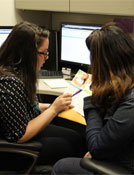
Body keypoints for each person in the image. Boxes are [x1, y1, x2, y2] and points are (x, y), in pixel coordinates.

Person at [0, 21, 87, 166]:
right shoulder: (9, 82)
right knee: (70, 146)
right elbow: (19, 135)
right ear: (28, 53)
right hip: (15, 148)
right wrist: (54, 109)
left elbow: (21, 107)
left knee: (76, 137)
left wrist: (50, 106)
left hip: (24, 128)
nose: (46, 58)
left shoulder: (19, 73)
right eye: (43, 53)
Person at [51, 22, 134, 174]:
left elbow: (96, 148)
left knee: (61, 166)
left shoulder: (130, 102)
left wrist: (94, 98)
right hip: (116, 154)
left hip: (122, 166)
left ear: (105, 64)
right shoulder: (126, 85)